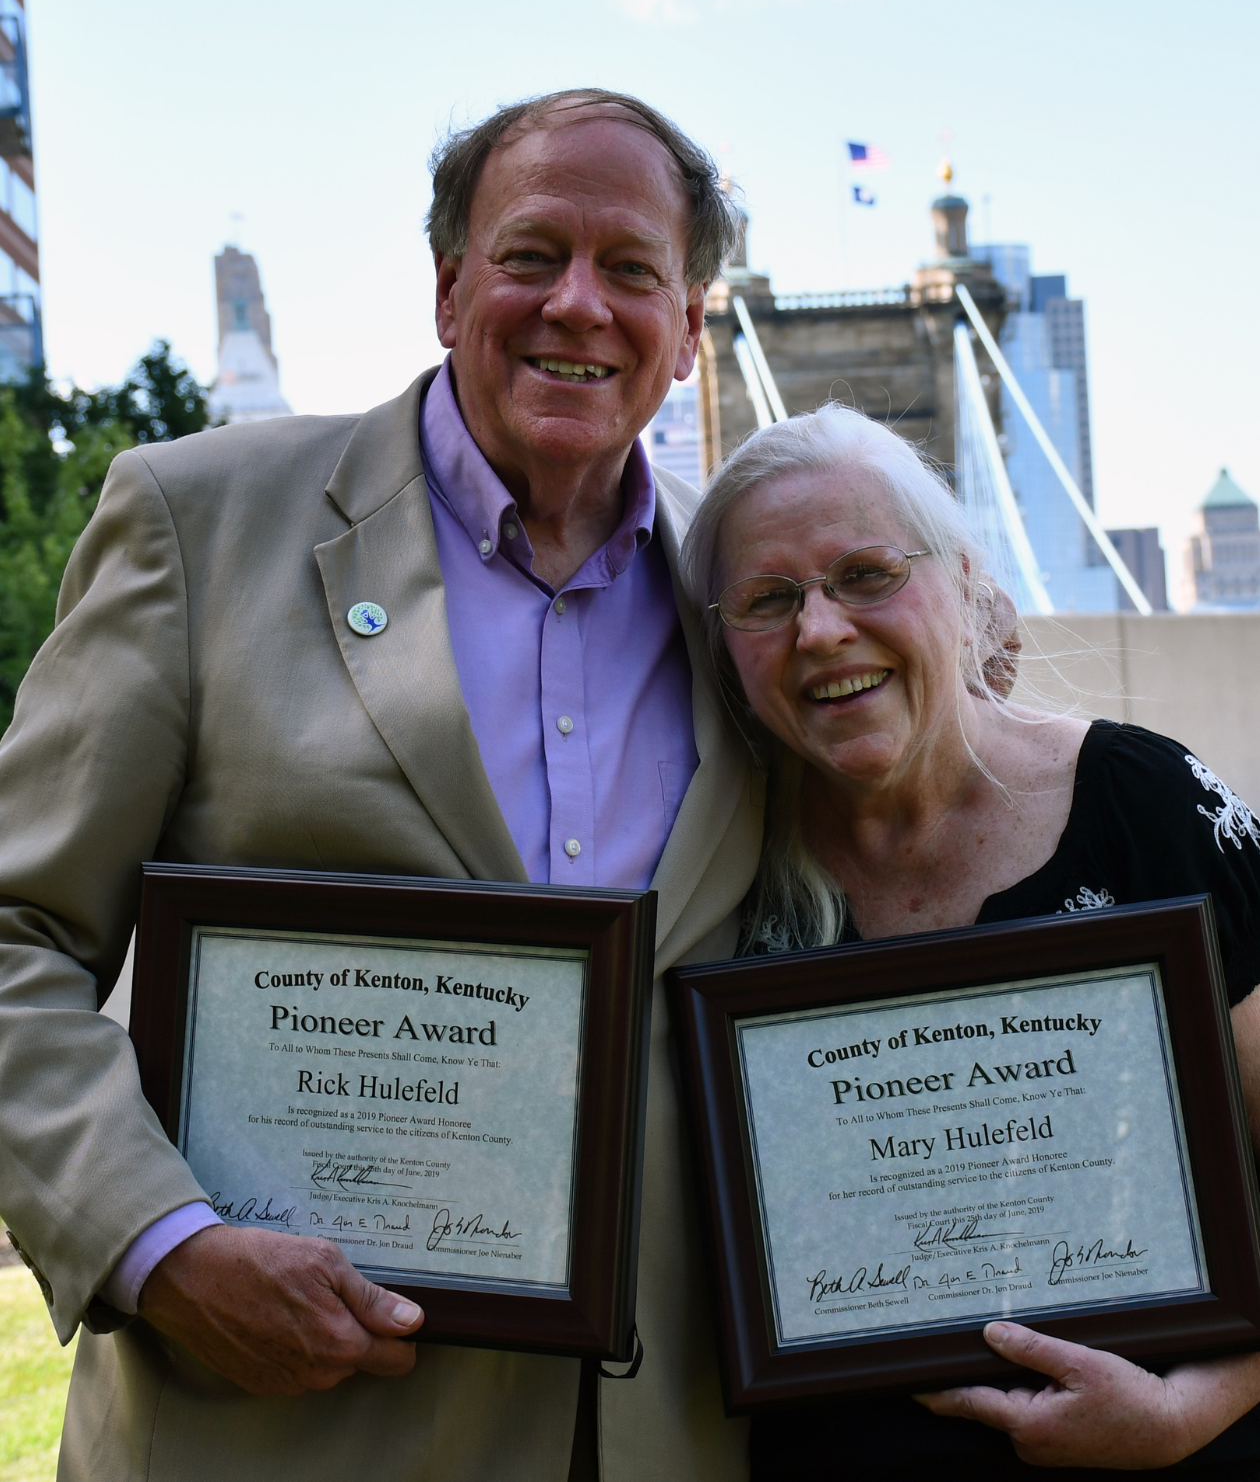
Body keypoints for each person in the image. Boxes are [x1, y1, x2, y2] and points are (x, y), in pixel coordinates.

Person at [0, 89, 765, 1482]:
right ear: (448, 286)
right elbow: (14, 936)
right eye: (532, 255)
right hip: (272, 1430)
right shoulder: (198, 521)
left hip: (669, 1436)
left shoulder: (752, 598)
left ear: (692, 326)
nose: (579, 305)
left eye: (634, 269)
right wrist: (157, 1244)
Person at [679, 401, 1260, 1479]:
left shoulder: (1148, 805)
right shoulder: (710, 869)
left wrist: (1196, 1406)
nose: (820, 629)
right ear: (725, 644)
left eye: (865, 573)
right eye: (769, 598)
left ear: (961, 580)